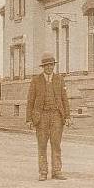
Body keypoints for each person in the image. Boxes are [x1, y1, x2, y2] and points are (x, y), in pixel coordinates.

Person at [26, 52, 71, 181]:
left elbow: (64, 99)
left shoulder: (59, 80)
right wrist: (29, 119)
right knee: (42, 145)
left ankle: (57, 171)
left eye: (51, 65)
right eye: (46, 66)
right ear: (43, 67)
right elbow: (30, 100)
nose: (49, 68)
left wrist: (67, 116)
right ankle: (43, 172)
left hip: (57, 116)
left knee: (56, 144)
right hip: (41, 117)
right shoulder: (36, 80)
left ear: (54, 66)